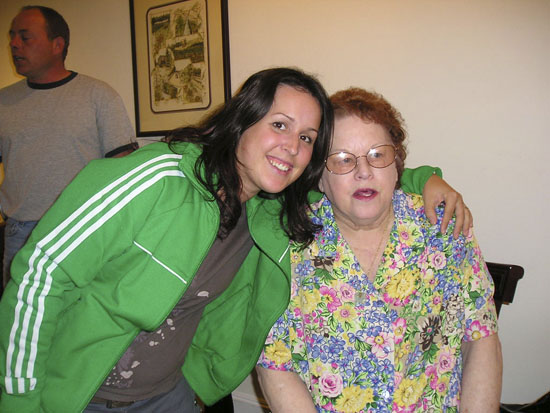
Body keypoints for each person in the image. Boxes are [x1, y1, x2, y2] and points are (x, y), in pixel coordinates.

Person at [0, 67, 467, 413]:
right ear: (243, 120)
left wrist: (426, 179)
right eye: (279, 125)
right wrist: (20, 402)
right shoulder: (155, 179)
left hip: (170, 395)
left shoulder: (269, 209)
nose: (292, 147)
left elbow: (360, 178)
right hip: (74, 394)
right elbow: (39, 278)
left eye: (307, 138)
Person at [257, 88, 502, 412]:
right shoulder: (289, 246)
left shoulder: (443, 229)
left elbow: (480, 336)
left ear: (396, 166)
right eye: (343, 159)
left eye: (377, 155)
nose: (364, 171)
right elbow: (275, 361)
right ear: (319, 179)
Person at [0, 6, 136, 288]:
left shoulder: (98, 95)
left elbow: (125, 169)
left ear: (57, 45)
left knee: (79, 312)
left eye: (25, 37)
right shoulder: (4, 102)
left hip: (81, 231)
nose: (14, 44)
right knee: (19, 313)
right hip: (20, 234)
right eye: (12, 36)